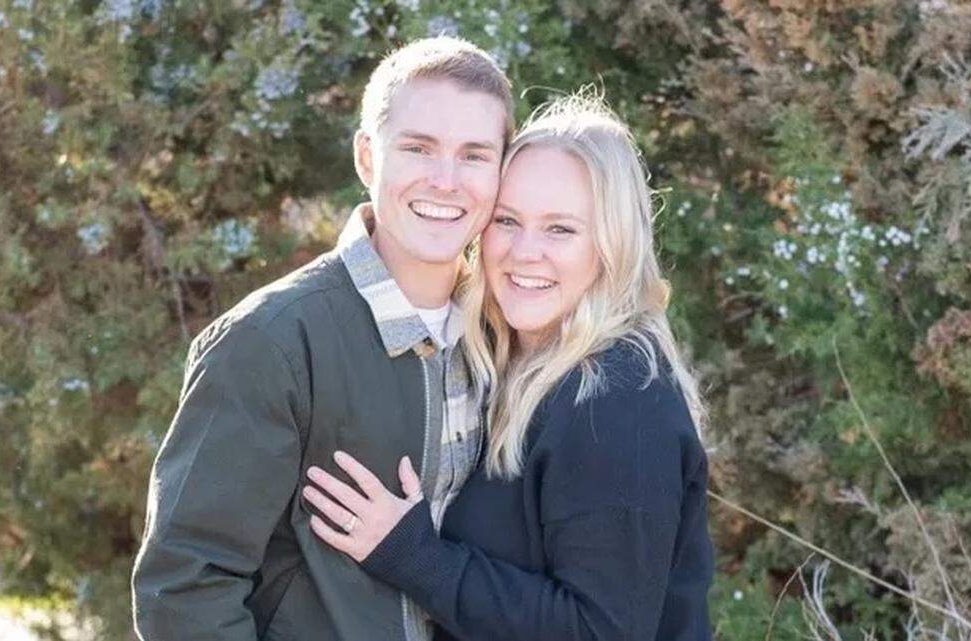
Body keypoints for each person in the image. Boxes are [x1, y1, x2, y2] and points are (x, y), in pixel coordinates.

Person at [131, 37, 513, 641]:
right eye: (418, 148)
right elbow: (184, 590)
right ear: (367, 158)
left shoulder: (503, 338)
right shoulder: (270, 343)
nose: (446, 181)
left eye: (474, 155)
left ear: (500, 173)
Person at [300, 93, 714, 640]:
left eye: (560, 229)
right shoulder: (515, 362)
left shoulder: (617, 398)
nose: (524, 252)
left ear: (613, 244)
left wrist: (415, 556)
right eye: (507, 220)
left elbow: (599, 631)